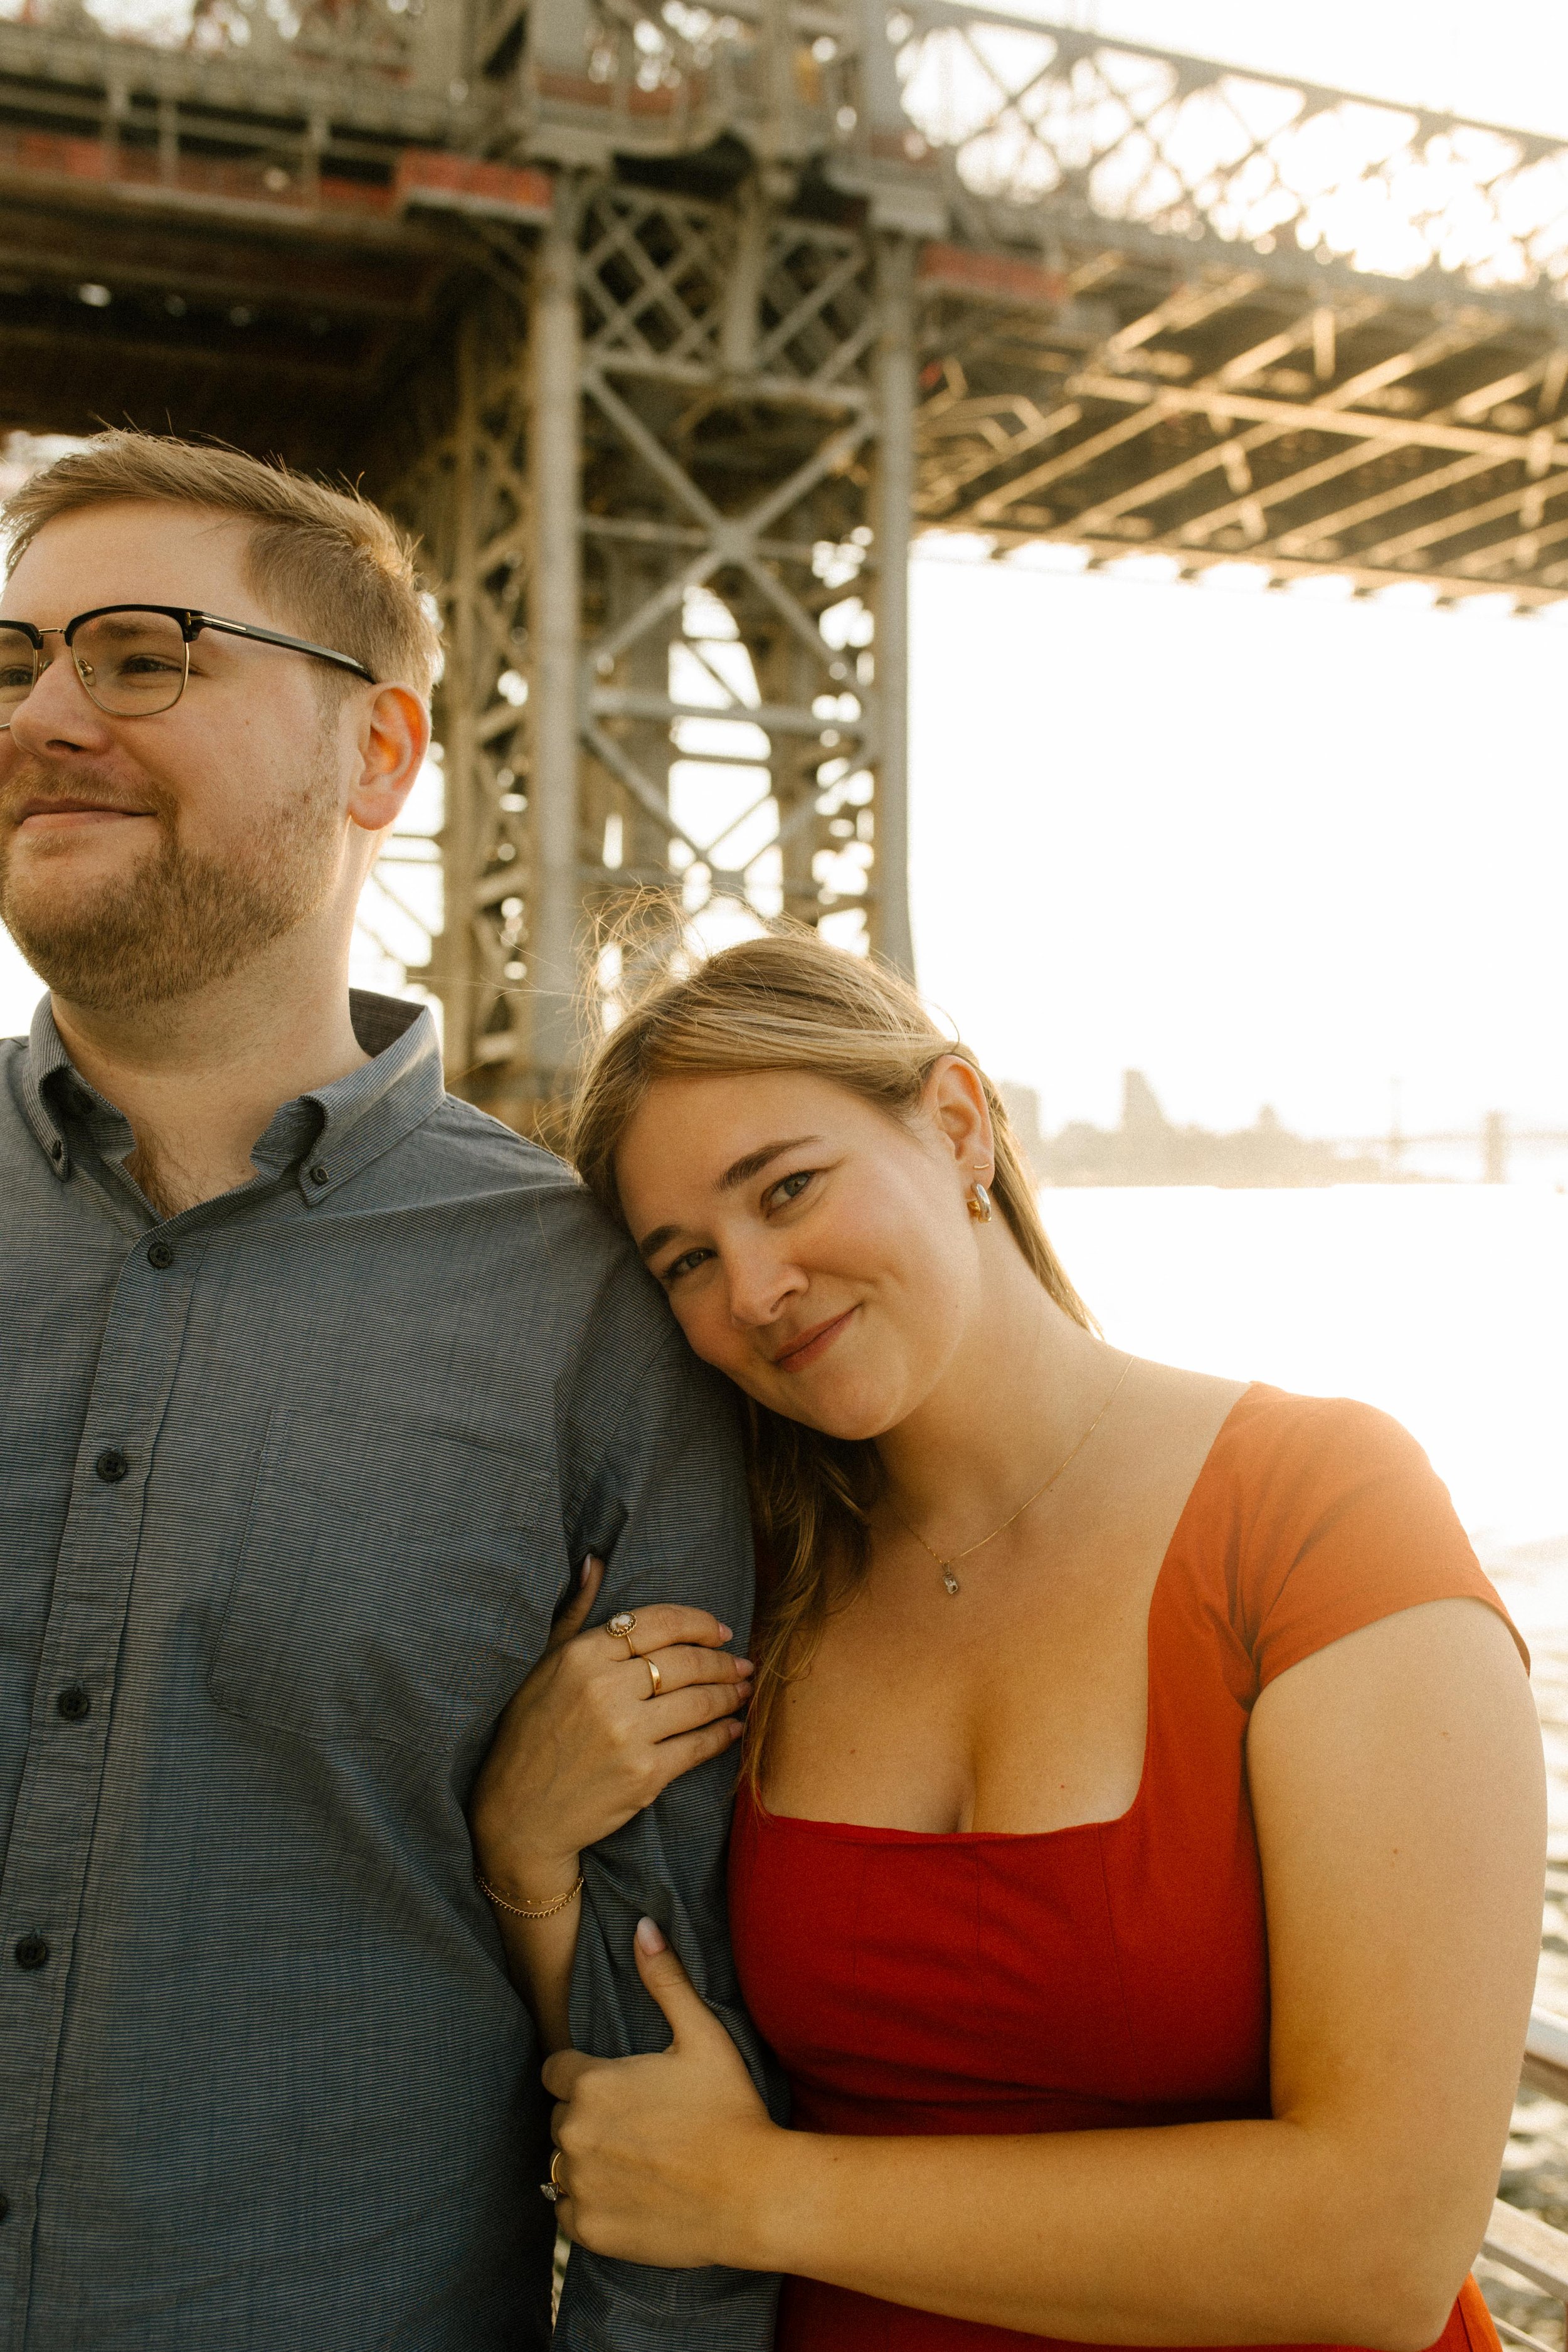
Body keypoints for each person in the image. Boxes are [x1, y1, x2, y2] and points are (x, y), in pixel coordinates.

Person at [473, 929, 1546, 2352]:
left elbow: (1381, 2249)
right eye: (685, 1261)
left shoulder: (1314, 1509)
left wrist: (770, 2199)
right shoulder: (753, 1583)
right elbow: (649, 2106)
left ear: (959, 1125)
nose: (753, 1289)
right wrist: (525, 1858)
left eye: (786, 1189)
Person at [0, 434, 773, 2352]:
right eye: (7, 664)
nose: (44, 714)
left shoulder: (601, 1317)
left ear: (380, 755)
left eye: (142, 654)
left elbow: (669, 2036)